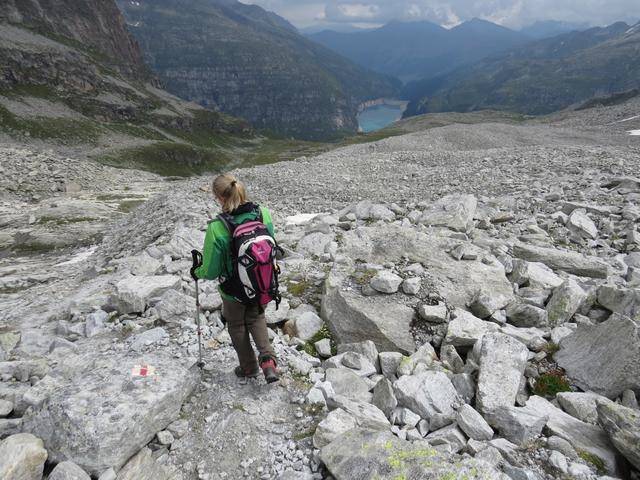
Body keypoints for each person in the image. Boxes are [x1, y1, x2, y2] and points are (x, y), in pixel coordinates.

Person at [193, 174, 279, 383]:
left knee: (237, 325)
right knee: (257, 317)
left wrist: (197, 272)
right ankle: (268, 361)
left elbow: (211, 271)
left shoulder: (217, 227)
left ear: (220, 198)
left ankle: (249, 368)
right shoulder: (263, 214)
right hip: (261, 283)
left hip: (233, 290)